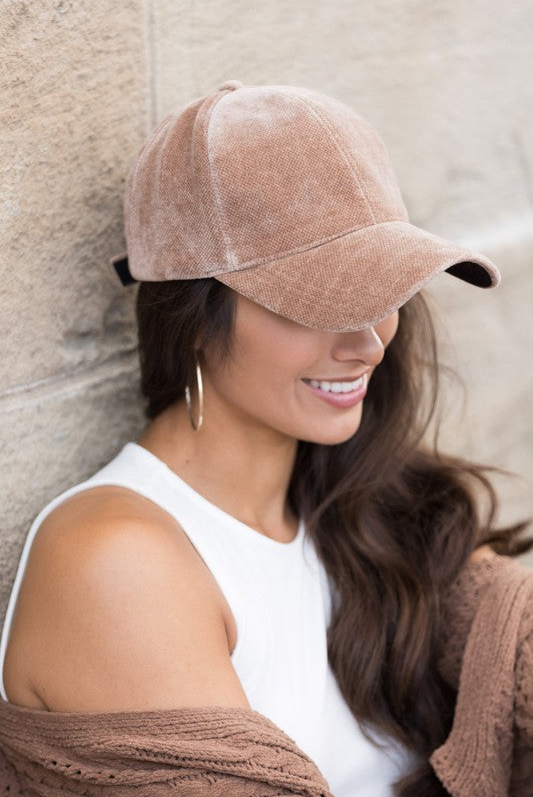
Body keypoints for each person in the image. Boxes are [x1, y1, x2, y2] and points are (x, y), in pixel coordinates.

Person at [0, 80, 531, 797]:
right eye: (320, 303)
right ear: (193, 317)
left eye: (384, 292)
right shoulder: (115, 563)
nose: (369, 344)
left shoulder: (365, 506)